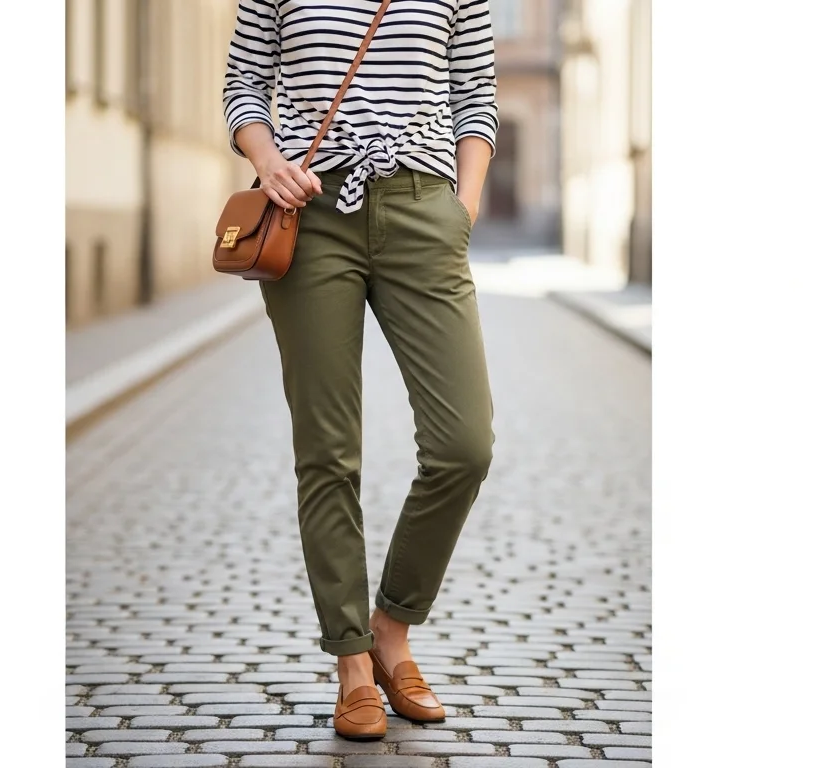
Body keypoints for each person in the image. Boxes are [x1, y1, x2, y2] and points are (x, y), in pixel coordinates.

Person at [223, 0, 498, 739]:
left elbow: (475, 93)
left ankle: (392, 626)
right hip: (309, 219)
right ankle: (352, 661)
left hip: (423, 211)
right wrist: (267, 161)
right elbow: (245, 80)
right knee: (328, 451)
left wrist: (461, 207)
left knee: (464, 446)